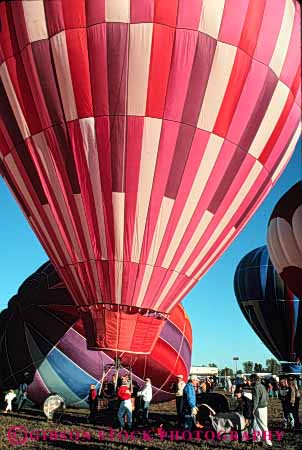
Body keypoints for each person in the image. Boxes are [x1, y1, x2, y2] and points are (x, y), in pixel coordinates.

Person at [250, 374, 272, 447]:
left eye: (251, 380)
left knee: (262, 425)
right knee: (257, 424)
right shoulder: (262, 386)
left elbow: (256, 400)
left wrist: (253, 409)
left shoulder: (256, 387)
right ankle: (256, 438)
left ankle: (268, 441)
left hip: (259, 408)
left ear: (253, 379)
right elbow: (267, 396)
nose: (250, 381)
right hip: (264, 407)